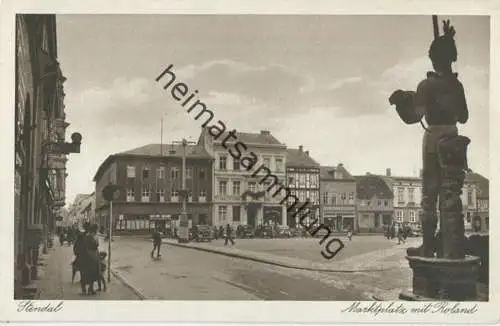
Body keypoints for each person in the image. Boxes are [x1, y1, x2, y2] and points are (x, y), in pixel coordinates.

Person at [390, 20, 468, 257]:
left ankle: (428, 246)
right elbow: (464, 116)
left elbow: (415, 116)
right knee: (452, 195)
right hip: (454, 139)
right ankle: (452, 246)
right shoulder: (457, 85)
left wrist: (402, 101)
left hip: (434, 140)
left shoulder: (426, 85)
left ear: (434, 59)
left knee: (430, 194)